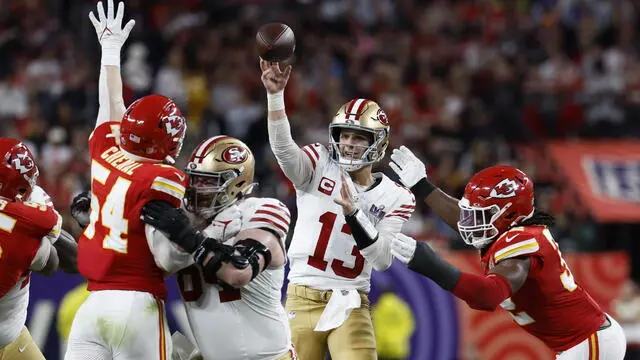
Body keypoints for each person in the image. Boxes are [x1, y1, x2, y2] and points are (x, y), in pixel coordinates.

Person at [388, 146, 627, 359]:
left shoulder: (522, 243)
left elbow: (487, 295)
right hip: (580, 343)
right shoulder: (509, 231)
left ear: (509, 214)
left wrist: (429, 264)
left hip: (589, 341)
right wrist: (422, 185)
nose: (471, 222)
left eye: (481, 214)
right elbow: (465, 220)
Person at [260, 59, 415, 360]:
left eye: (358, 137)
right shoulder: (318, 163)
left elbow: (382, 260)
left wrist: (355, 215)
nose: (348, 144)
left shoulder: (396, 196)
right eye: (344, 135)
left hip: (351, 300)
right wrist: (275, 96)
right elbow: (283, 149)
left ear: (378, 143)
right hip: (301, 294)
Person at [65, 1, 189, 358]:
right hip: (137, 303)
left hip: (92, 305)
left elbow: (111, 105)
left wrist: (109, 51)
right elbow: (167, 257)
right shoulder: (163, 176)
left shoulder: (105, 152)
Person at [141, 136, 297, 359]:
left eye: (207, 181)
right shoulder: (185, 221)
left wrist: (188, 237)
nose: (196, 188)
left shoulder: (258, 212)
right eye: (194, 179)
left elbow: (238, 271)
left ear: (237, 183)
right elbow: (148, 270)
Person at [0, 138, 62, 359]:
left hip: (12, 336)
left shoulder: (28, 208)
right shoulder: (26, 223)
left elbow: (61, 261)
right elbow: (51, 264)